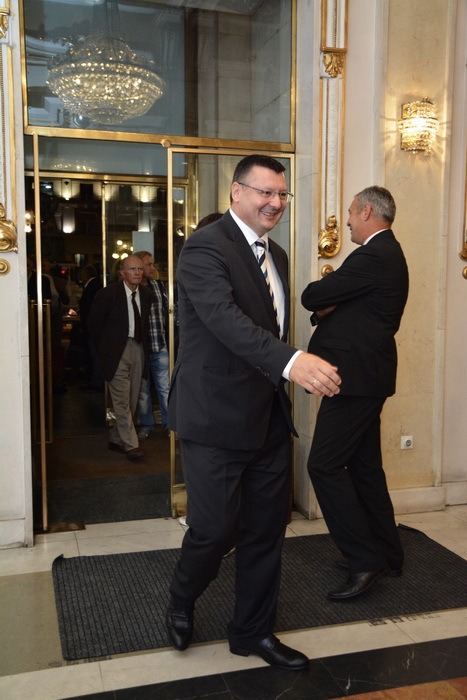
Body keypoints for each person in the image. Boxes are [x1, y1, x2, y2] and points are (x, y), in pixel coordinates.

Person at [166, 154, 341, 670]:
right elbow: (224, 319)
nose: (275, 203)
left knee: (267, 531)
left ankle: (253, 633)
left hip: (266, 418)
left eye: (282, 194)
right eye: (265, 192)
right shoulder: (204, 246)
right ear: (236, 192)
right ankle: (181, 597)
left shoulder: (277, 255)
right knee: (215, 530)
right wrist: (293, 362)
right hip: (213, 416)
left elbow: (268, 325)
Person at [302, 185, 409, 601]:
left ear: (366, 211)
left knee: (323, 465)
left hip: (355, 380)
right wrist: (330, 304)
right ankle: (387, 553)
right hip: (367, 376)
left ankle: (364, 560)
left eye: (350, 212)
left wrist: (326, 301)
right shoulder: (385, 254)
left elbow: (313, 296)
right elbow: (339, 306)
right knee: (364, 468)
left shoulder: (373, 255)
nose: (346, 221)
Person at [88, 255, 153, 460]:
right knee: (121, 399)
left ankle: (117, 437)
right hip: (116, 351)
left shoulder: (146, 294)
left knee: (132, 397)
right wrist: (106, 348)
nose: (137, 273)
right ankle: (131, 444)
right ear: (122, 273)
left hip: (138, 348)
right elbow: (94, 325)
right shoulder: (107, 294)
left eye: (140, 269)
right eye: (132, 269)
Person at [133, 251, 170, 438]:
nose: (152, 268)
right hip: (139, 346)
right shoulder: (131, 288)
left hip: (158, 343)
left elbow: (167, 311)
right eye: (149, 264)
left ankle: (170, 425)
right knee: (142, 390)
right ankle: (146, 425)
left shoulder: (158, 285)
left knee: (165, 387)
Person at [78, 265, 103, 391]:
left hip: (93, 327)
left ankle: (97, 381)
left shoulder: (92, 286)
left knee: (95, 354)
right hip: (94, 326)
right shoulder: (96, 285)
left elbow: (89, 308)